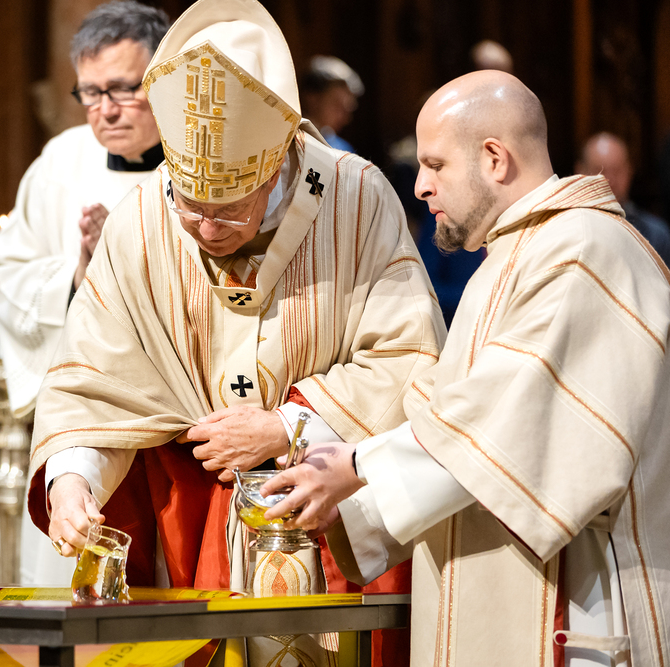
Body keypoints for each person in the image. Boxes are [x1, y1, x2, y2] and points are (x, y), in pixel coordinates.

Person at [30, 0, 445, 664]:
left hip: (327, 518)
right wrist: (72, 480)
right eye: (190, 205)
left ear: (275, 167)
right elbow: (96, 381)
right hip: (194, 529)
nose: (206, 228)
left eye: (228, 209)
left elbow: (411, 357)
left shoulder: (355, 198)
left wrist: (287, 426)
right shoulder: (144, 219)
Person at [263, 70, 670, 667]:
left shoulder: (585, 249)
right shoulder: (516, 254)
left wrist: (355, 468)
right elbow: (443, 409)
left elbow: (508, 420)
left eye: (435, 164)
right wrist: (342, 478)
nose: (420, 185)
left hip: (580, 609)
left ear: (495, 159)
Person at [0, 0, 169, 586]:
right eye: (90, 92)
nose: (105, 109)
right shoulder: (61, 161)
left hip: (174, 426)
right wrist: (77, 277)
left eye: (124, 89)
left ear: (165, 80)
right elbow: (2, 269)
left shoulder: (203, 163)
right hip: (82, 422)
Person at [576, 131, 670, 267]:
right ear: (580, 172)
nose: (610, 180)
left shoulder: (656, 235)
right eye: (600, 171)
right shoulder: (569, 231)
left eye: (617, 170)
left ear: (629, 171)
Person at [299, 55, 363, 153]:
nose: (345, 119)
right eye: (337, 106)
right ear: (312, 98)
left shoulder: (342, 150)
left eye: (346, 110)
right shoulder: (285, 141)